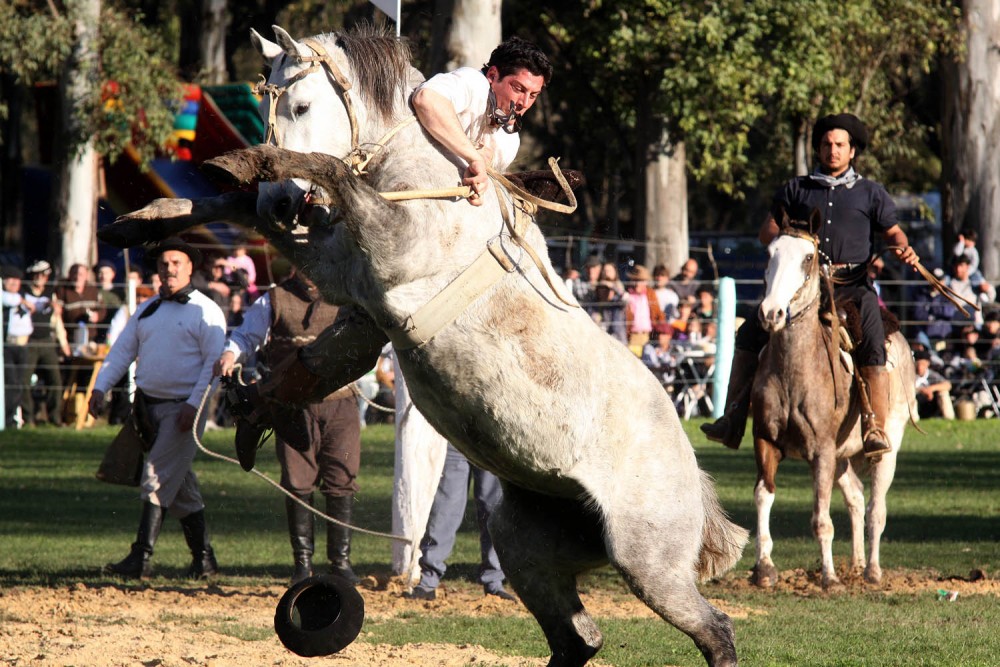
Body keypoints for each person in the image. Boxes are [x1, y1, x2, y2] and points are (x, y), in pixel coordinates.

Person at [702, 113, 920, 458]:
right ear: (818, 149)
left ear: (852, 152)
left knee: (874, 342)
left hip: (852, 288)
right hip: (802, 287)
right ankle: (731, 419)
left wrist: (904, 246)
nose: (832, 151)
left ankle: (873, 426)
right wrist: (784, 239)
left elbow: (892, 231)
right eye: (826, 145)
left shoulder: (870, 193)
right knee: (749, 333)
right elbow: (767, 231)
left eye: (839, 145)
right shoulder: (796, 189)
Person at [88, 238, 227, 579]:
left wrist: (194, 406)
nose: (169, 269)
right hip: (147, 410)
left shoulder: (207, 312)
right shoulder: (147, 310)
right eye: (164, 264)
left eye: (176, 262)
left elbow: (213, 366)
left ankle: (141, 557)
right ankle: (204, 559)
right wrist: (101, 387)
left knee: (155, 478)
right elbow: (121, 351)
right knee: (181, 490)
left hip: (183, 412)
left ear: (190, 267)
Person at [216, 269, 363, 585]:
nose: (310, 270)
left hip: (342, 402)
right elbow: (246, 336)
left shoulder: (348, 295)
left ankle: (340, 563)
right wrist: (230, 353)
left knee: (342, 479)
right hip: (290, 404)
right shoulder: (274, 298)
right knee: (298, 482)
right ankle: (303, 565)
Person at [410, 35, 552, 206]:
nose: (524, 103)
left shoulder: (510, 142)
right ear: (492, 75)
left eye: (533, 95)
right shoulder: (473, 82)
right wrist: (475, 158)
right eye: (518, 88)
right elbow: (426, 99)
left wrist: (479, 187)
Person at [403, 443, 515, 601]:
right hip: (456, 438)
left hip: (489, 440)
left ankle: (494, 582)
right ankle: (428, 581)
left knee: (492, 509)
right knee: (444, 509)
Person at [22, 260, 68, 426]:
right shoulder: (22, 291)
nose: (40, 278)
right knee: (24, 381)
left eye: (43, 275)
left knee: (55, 380)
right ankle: (28, 419)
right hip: (28, 341)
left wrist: (63, 343)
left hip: (47, 340)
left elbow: (57, 322)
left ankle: (54, 417)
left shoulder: (50, 294)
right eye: (37, 274)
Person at [2, 265, 33, 427]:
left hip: (23, 345)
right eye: (10, 279)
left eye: (17, 280)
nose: (14, 283)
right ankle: (7, 420)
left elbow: (38, 304)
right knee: (11, 383)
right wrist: (22, 301)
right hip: (7, 346)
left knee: (19, 384)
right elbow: (7, 299)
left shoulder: (23, 297)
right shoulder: (7, 297)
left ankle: (13, 418)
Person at [55, 263, 105, 347]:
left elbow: (102, 309)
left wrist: (97, 316)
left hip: (91, 338)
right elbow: (58, 314)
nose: (78, 277)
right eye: (75, 274)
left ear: (86, 276)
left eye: (81, 274)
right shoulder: (62, 291)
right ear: (70, 275)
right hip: (70, 338)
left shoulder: (93, 290)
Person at [623, 264, 666, 350]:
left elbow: (657, 312)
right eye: (636, 280)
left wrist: (662, 329)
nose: (638, 284)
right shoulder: (628, 295)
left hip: (648, 335)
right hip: (633, 335)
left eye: (641, 281)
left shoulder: (650, 294)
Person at [914, 349, 954, 419]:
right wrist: (921, 390)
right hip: (916, 400)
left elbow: (948, 385)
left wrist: (931, 389)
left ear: (928, 363)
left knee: (943, 392)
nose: (920, 367)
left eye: (923, 364)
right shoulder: (910, 375)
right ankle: (914, 419)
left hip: (931, 402)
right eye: (918, 364)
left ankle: (949, 418)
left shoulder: (932, 375)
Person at [93, 259, 123, 344]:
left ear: (113, 274)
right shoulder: (93, 292)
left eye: (106, 273)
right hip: (98, 330)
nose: (103, 276)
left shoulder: (120, 293)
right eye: (100, 272)